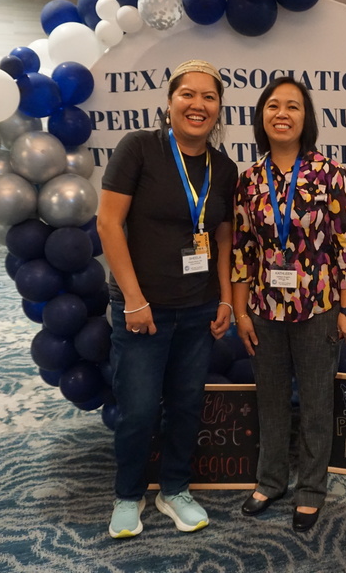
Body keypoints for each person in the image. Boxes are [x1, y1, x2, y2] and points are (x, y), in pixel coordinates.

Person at [96, 59, 238, 539]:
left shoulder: (224, 168)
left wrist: (225, 300)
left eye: (209, 97)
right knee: (137, 410)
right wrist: (133, 300)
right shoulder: (139, 148)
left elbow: (223, 237)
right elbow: (108, 223)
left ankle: (174, 489)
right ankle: (128, 495)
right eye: (188, 94)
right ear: (170, 101)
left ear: (219, 108)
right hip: (144, 310)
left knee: (186, 405)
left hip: (199, 309)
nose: (198, 105)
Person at [231, 76, 346, 533]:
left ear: (305, 118)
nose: (282, 113)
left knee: (315, 403)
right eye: (273, 105)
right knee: (270, 401)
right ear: (261, 117)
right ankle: (270, 481)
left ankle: (310, 488)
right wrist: (241, 312)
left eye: (293, 106)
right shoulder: (250, 179)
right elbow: (243, 250)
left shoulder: (330, 173)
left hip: (318, 307)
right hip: (264, 309)